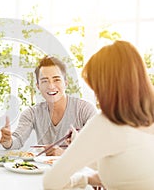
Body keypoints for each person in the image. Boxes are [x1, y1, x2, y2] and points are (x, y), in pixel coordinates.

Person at [43, 40, 154, 189]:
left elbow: (51, 182)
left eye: (97, 87)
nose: (96, 95)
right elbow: (129, 164)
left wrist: (80, 179)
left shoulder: (108, 122)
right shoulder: (145, 118)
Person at [0, 56, 97, 156]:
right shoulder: (31, 113)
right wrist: (8, 141)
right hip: (42, 169)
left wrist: (64, 154)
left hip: (77, 170)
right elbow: (17, 141)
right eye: (45, 81)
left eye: (56, 80)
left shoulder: (85, 110)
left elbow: (97, 148)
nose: (51, 86)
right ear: (38, 86)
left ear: (66, 83)